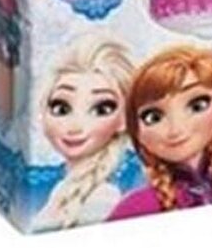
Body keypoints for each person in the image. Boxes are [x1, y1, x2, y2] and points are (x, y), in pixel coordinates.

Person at [109, 43, 212, 217]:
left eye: (197, 106)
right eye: (153, 117)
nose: (175, 129)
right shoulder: (136, 207)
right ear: (136, 130)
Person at [32, 35, 136, 229]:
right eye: (61, 108)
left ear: (124, 119)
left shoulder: (103, 196)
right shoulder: (60, 187)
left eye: (101, 109)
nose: (75, 127)